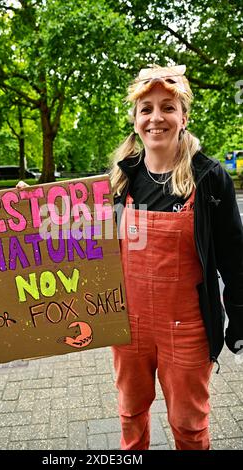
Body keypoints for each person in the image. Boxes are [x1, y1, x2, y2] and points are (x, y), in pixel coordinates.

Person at [109, 64, 243, 450]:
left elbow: (235, 259)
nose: (156, 117)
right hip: (127, 328)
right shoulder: (120, 180)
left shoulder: (209, 178)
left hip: (188, 329)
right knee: (131, 416)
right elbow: (82, 243)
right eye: (146, 108)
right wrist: (28, 208)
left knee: (188, 425)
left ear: (184, 117)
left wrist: (239, 321)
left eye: (168, 107)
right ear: (135, 120)